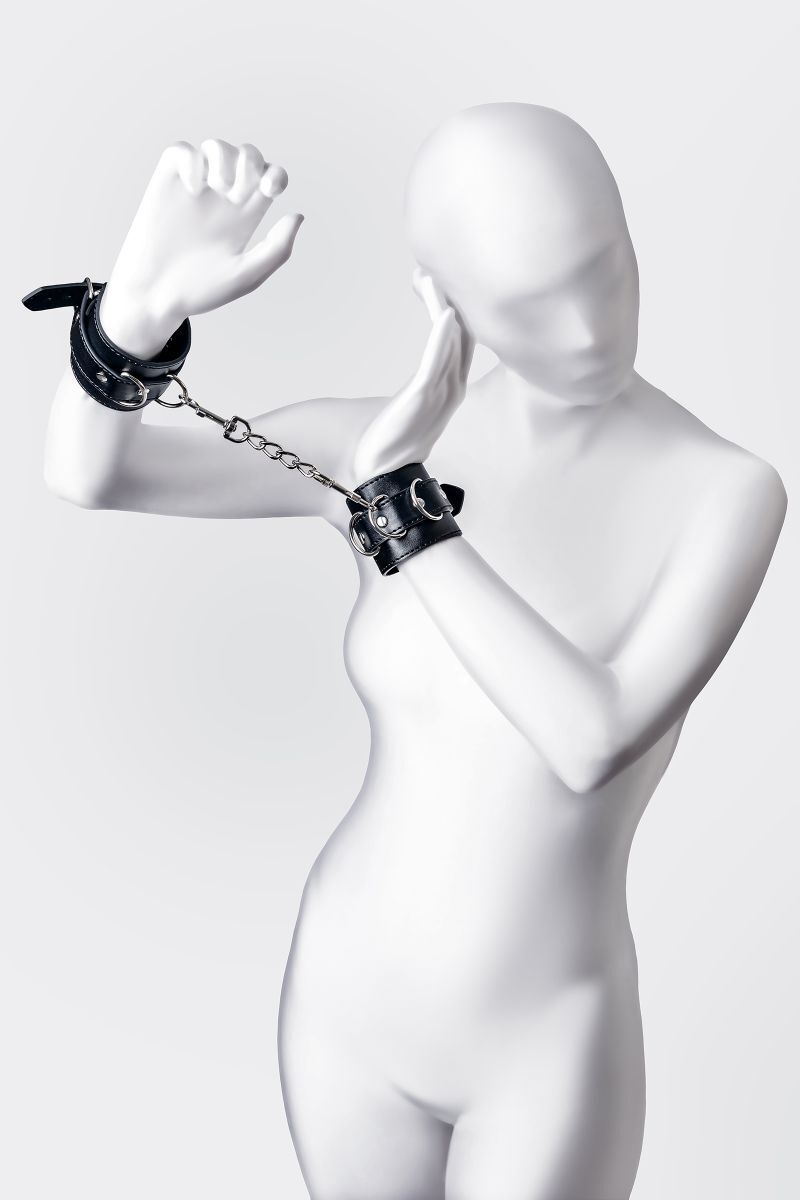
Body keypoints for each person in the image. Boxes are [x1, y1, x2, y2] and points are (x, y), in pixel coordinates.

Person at [43, 103, 787, 1200]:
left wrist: (403, 509)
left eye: (604, 271)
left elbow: (591, 739)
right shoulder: (361, 441)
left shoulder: (725, 492)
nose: (588, 330)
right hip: (349, 999)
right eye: (530, 302)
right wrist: (135, 319)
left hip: (544, 1035)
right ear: (444, 296)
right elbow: (94, 474)